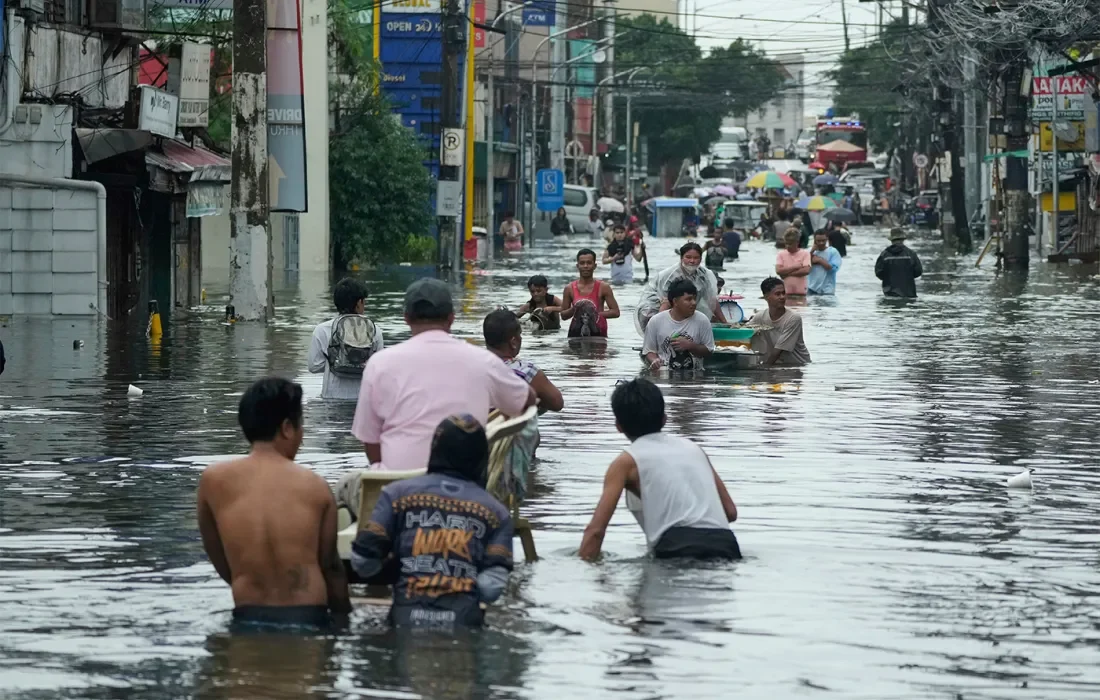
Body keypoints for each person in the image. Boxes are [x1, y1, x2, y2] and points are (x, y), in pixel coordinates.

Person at [197, 377, 351, 628]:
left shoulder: (212, 482)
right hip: (309, 616)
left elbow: (220, 559)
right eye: (301, 426)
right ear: (287, 428)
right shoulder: (315, 487)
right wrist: (344, 620)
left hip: (247, 614)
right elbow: (330, 567)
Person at [349, 278, 536, 473]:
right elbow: (527, 400)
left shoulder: (379, 364)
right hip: (464, 482)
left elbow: (370, 441)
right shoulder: (483, 361)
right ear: (451, 318)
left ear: (406, 318)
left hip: (395, 485)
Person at [350, 414, 514, 629]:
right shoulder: (497, 513)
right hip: (463, 627)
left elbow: (363, 563)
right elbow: (491, 590)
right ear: (482, 457)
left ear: (434, 450)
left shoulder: (396, 495)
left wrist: (400, 564)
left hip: (404, 622)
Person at [579, 378, 740, 560]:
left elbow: (596, 531)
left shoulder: (626, 462)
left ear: (618, 426)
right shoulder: (694, 449)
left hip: (675, 548)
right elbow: (730, 512)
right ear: (664, 418)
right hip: (727, 546)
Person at [307, 278, 383, 400]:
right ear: (359, 303)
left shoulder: (322, 330)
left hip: (332, 397)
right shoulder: (374, 330)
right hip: (361, 399)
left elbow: (313, 366)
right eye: (364, 302)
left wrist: (336, 361)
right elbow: (378, 368)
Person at [639, 243, 727, 329]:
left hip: (680, 310)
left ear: (701, 259)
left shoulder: (703, 275)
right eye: (688, 257)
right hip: (653, 311)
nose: (692, 261)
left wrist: (725, 323)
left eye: (696, 258)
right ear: (681, 258)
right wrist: (661, 329)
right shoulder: (671, 276)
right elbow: (665, 303)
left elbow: (711, 299)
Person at [642, 279, 716, 371]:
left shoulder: (702, 320)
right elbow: (649, 351)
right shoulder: (656, 321)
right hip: (665, 375)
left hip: (694, 376)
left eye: (694, 298)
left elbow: (709, 351)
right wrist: (654, 360)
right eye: (688, 299)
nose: (693, 303)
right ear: (675, 302)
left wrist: (691, 346)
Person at [747, 277, 811, 366]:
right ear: (766, 297)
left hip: (797, 365)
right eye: (777, 294)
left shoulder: (793, 319)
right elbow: (744, 332)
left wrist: (764, 368)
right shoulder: (760, 317)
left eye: (783, 293)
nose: (782, 297)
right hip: (777, 364)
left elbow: (778, 351)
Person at [561, 249, 621, 337]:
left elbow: (616, 312)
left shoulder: (603, 287)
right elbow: (563, 316)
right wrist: (575, 309)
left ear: (595, 266)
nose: (585, 266)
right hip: (576, 334)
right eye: (582, 263)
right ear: (577, 266)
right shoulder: (569, 288)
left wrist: (594, 314)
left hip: (598, 334)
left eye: (589, 263)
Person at [875, 228, 923, 298]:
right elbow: (918, 271)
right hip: (908, 293)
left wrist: (889, 278)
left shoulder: (884, 255)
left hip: (890, 294)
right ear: (903, 239)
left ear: (891, 240)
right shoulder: (911, 254)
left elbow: (878, 272)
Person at [775, 229, 811, 296]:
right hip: (785, 294)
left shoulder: (805, 254)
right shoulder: (781, 254)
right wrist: (795, 267)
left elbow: (806, 270)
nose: (788, 246)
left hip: (801, 293)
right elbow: (778, 270)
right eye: (786, 243)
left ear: (797, 242)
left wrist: (786, 274)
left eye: (790, 244)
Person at [808, 230, 842, 295]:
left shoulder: (833, 251)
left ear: (827, 239)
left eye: (823, 240)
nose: (821, 243)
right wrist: (811, 252)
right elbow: (804, 267)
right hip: (811, 288)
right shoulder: (809, 251)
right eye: (818, 241)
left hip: (828, 289)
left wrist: (820, 260)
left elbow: (833, 269)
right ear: (814, 240)